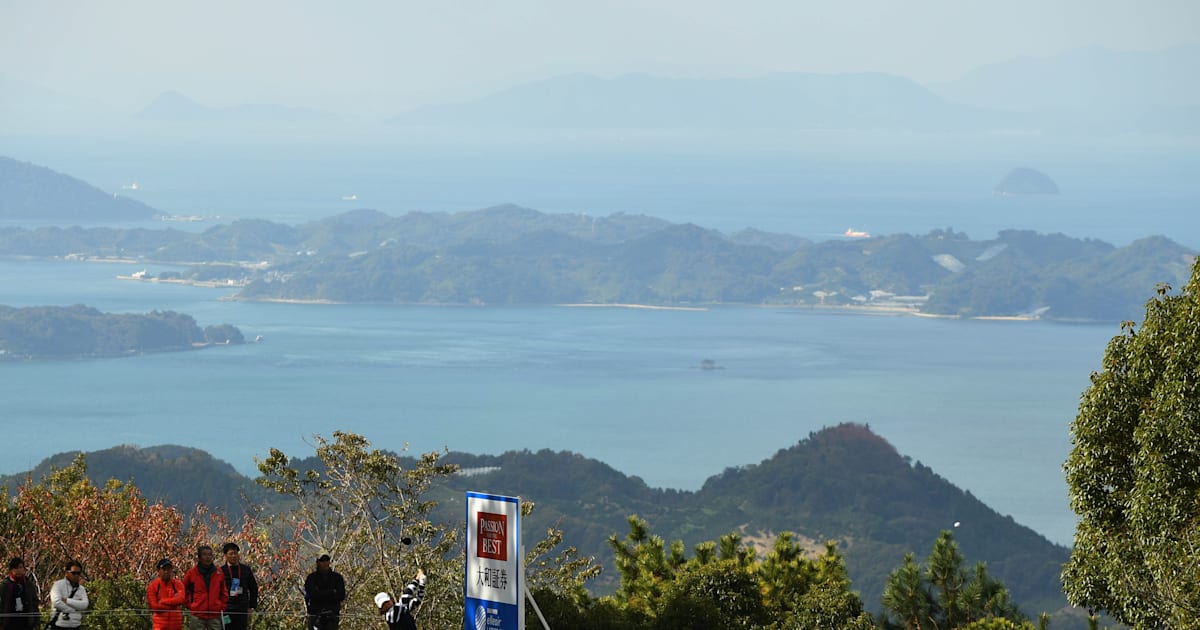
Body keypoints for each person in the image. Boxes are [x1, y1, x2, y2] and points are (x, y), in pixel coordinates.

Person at [182, 545, 227, 630]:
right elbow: (184, 590)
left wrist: (221, 606)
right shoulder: (192, 573)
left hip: (214, 613)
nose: (208, 557)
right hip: (197, 613)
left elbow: (223, 591)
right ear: (199, 557)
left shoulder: (219, 572)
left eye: (210, 554)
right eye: (205, 554)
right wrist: (190, 605)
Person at [219, 543, 257, 630]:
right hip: (226, 610)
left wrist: (252, 606)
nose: (234, 556)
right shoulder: (221, 571)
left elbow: (253, 588)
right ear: (225, 555)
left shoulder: (246, 570)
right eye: (231, 554)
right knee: (226, 628)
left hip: (242, 609)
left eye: (235, 553)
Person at [303, 554, 345, 630]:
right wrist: (331, 592)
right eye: (323, 560)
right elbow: (311, 594)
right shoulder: (311, 578)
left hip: (332, 616)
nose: (325, 562)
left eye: (327, 560)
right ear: (318, 562)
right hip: (315, 615)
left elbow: (341, 595)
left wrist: (320, 594)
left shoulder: (337, 578)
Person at [146, 558, 186, 630]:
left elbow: (181, 599)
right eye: (164, 569)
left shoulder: (178, 584)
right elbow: (154, 606)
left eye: (169, 569)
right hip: (159, 626)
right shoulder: (153, 586)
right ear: (158, 571)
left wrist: (162, 601)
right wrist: (173, 605)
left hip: (176, 626)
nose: (167, 572)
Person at [47, 560, 88, 629]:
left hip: (76, 626)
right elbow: (56, 602)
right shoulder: (58, 585)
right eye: (73, 573)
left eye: (78, 573)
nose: (76, 575)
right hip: (59, 626)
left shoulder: (81, 589)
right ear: (66, 573)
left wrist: (67, 601)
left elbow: (84, 605)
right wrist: (74, 610)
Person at [0, 558, 39, 630]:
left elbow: (34, 603)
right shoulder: (5, 585)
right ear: (11, 570)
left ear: (24, 569)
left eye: (20, 567)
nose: (18, 570)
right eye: (15, 568)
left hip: (26, 622)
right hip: (9, 622)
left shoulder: (29, 584)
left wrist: (36, 622)